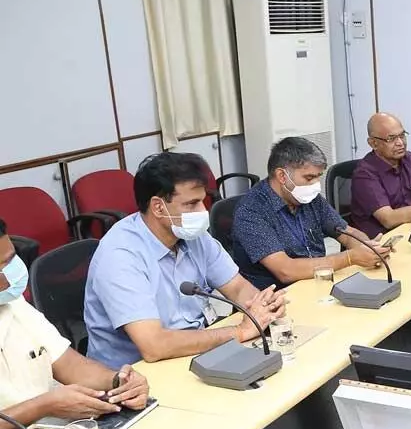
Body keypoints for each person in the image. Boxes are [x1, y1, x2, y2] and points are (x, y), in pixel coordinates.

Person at [85, 152, 286, 370]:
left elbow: (236, 288)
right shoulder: (120, 256)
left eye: (203, 201)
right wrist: (239, 332)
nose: (203, 211)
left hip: (191, 354)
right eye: (191, 204)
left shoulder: (191, 235)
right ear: (158, 207)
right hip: (133, 378)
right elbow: (154, 346)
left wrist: (264, 308)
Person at [0, 218, 149, 429]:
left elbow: (70, 365)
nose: (7, 280)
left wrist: (119, 381)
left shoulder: (13, 303)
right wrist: (43, 406)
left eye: (8, 261)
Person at [231, 137, 392, 289]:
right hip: (278, 298)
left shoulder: (309, 198)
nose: (316, 185)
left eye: (318, 177)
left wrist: (368, 248)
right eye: (309, 178)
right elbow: (286, 271)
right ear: (282, 176)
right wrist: (350, 258)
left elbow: (347, 233)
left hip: (318, 285)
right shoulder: (251, 211)